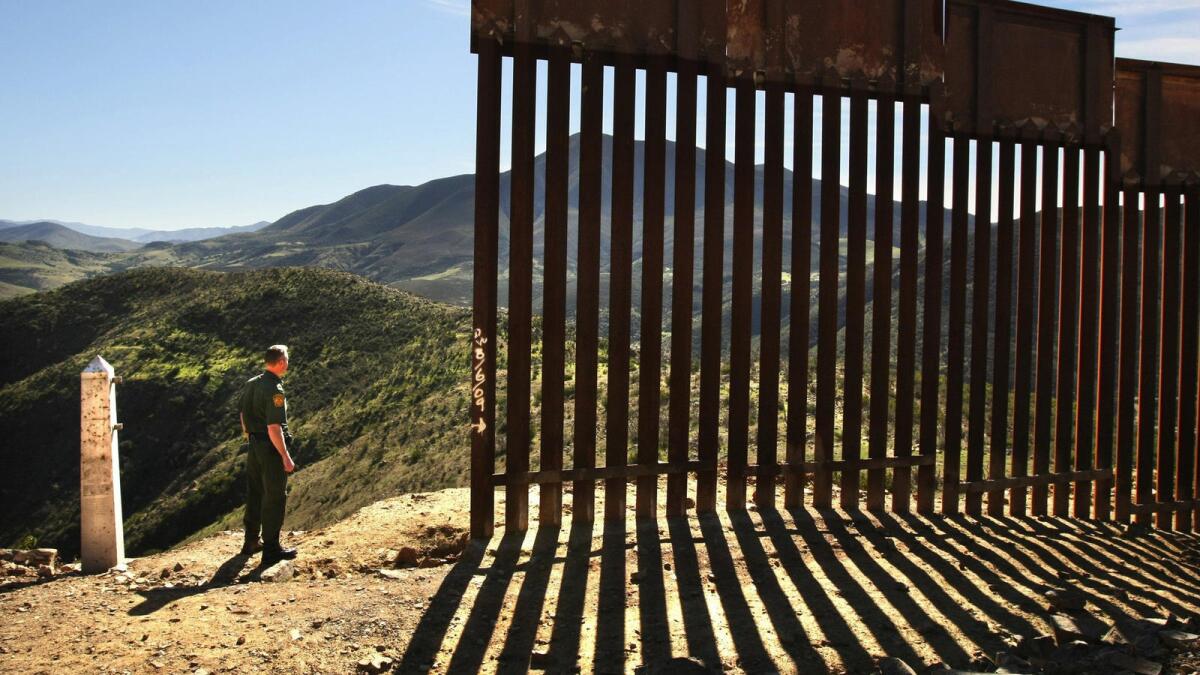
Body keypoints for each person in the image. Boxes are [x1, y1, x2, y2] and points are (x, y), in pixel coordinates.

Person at [238, 344, 299, 566]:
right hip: (270, 448)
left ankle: (251, 541)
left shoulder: (252, 383)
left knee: (255, 492)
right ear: (282, 362)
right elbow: (274, 427)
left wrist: (250, 438)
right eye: (287, 359)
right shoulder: (275, 389)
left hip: (254, 446)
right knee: (274, 496)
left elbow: (243, 414)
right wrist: (285, 455)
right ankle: (271, 548)